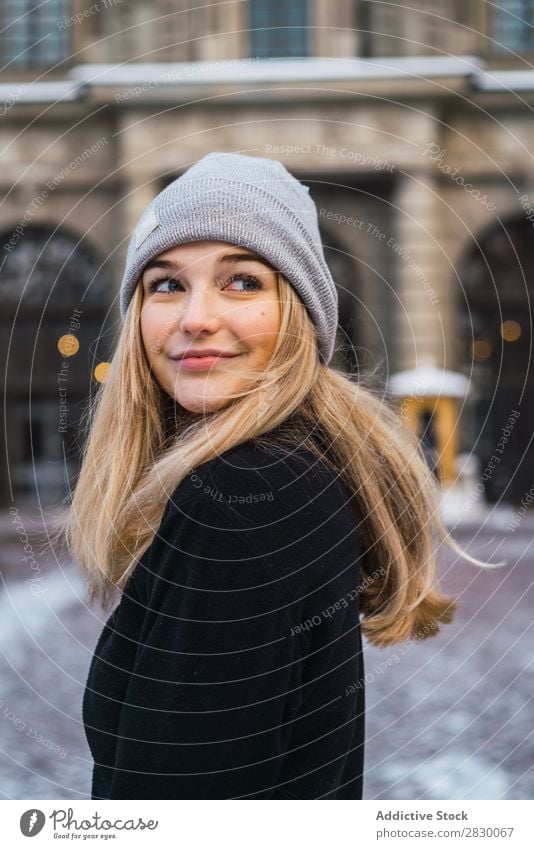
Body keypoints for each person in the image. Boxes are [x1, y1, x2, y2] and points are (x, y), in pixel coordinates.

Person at [54, 152, 482, 800]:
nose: (195, 317)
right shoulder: (286, 471)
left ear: (298, 314)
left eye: (242, 281)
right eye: (166, 283)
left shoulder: (241, 499)